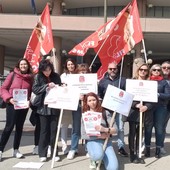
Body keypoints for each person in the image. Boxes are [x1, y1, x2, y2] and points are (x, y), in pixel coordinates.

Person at [0, 58, 33, 161]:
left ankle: (16, 150)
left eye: (25, 64)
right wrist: (9, 98)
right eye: (22, 64)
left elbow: (32, 92)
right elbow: (3, 89)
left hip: (23, 106)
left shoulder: (30, 78)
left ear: (28, 66)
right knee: (9, 127)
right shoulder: (12, 75)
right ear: (18, 66)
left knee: (19, 127)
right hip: (12, 104)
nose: (23, 66)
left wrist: (29, 101)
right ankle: (0, 150)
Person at [32, 59, 61, 162]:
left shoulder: (56, 76)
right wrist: (46, 86)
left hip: (54, 107)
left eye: (49, 69)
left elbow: (60, 88)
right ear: (41, 70)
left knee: (54, 131)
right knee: (44, 131)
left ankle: (54, 153)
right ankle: (42, 153)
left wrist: (61, 87)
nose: (47, 72)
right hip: (42, 108)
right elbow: (35, 89)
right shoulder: (38, 76)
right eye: (45, 70)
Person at [81, 92, 119, 170]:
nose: (92, 102)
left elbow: (115, 130)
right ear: (87, 103)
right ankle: (94, 159)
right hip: (92, 141)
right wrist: (99, 136)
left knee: (113, 168)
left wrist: (104, 129)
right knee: (97, 155)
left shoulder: (105, 113)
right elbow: (83, 134)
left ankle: (102, 158)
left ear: (98, 100)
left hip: (106, 142)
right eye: (90, 101)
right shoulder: (85, 115)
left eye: (94, 100)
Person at [98, 61, 128, 157]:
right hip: (107, 109)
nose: (112, 70)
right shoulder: (103, 81)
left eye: (114, 69)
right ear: (107, 70)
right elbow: (100, 95)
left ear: (117, 69)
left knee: (120, 128)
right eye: (110, 69)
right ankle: (107, 145)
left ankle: (121, 147)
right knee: (108, 128)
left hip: (119, 109)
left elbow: (127, 94)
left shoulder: (123, 80)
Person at [127, 63, 154, 163]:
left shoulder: (150, 83)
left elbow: (153, 100)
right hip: (134, 112)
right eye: (141, 69)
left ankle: (139, 154)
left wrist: (146, 106)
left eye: (145, 70)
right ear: (138, 70)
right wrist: (136, 105)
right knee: (132, 133)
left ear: (147, 72)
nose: (143, 71)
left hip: (144, 112)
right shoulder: (132, 82)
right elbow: (128, 97)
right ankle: (132, 154)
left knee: (140, 134)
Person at [67, 63, 91, 159]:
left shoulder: (91, 81)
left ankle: (88, 148)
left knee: (87, 128)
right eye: (81, 72)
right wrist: (77, 96)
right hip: (77, 106)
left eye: (85, 72)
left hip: (87, 106)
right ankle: (73, 148)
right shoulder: (73, 82)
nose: (83, 74)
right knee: (76, 128)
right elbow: (69, 93)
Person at [147, 64, 170, 158]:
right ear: (151, 71)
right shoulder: (147, 81)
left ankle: (158, 149)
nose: (156, 71)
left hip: (161, 107)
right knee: (148, 128)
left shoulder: (164, 82)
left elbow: (168, 95)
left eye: (158, 70)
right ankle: (147, 148)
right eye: (154, 70)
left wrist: (158, 94)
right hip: (149, 107)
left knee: (159, 129)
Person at [60, 58, 77, 155]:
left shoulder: (79, 75)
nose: (71, 66)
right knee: (64, 125)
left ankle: (74, 147)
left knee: (75, 125)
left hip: (77, 103)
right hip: (67, 103)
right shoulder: (64, 76)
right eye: (69, 64)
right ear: (66, 66)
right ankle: (64, 145)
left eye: (72, 64)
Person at [160, 61, 170, 154]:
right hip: (154, 107)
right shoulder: (156, 78)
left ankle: (161, 145)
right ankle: (145, 145)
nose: (166, 69)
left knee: (162, 127)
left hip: (167, 108)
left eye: (168, 67)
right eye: (164, 67)